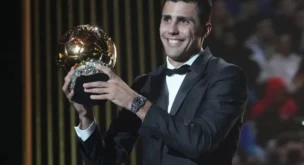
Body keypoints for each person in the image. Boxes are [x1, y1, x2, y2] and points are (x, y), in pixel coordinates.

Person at [62, 0, 248, 164]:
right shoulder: (145, 84)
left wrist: (135, 103)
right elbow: (108, 160)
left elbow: (200, 142)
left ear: (205, 30)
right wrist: (86, 116)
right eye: (167, 19)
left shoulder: (227, 77)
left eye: (183, 21)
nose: (172, 30)